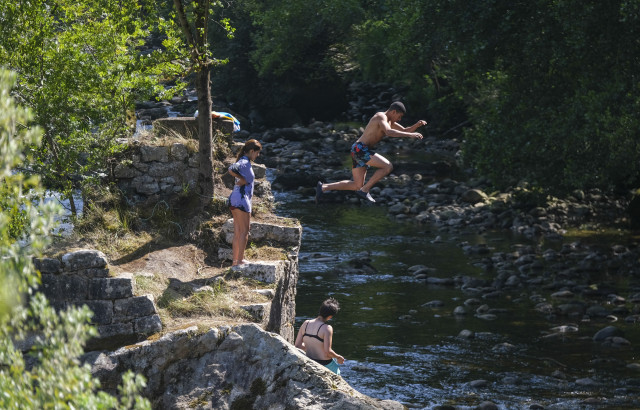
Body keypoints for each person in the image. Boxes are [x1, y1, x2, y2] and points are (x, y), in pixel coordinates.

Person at [316, 101, 426, 203]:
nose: (399, 119)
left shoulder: (389, 121)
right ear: (393, 112)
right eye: (399, 116)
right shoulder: (380, 117)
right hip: (360, 149)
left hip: (359, 150)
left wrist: (417, 125)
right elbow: (388, 132)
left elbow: (404, 130)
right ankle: (365, 190)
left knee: (357, 186)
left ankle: (324, 187)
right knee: (387, 166)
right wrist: (410, 135)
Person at [228, 139, 262, 266]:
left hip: (235, 198)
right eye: (257, 153)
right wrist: (243, 179)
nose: (257, 156)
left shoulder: (243, 160)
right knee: (244, 231)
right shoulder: (244, 161)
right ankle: (240, 260)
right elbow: (231, 169)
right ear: (252, 151)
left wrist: (242, 179)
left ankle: (235, 261)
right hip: (242, 199)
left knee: (237, 232)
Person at [294, 298, 345, 375]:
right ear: (330, 316)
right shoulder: (327, 328)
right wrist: (338, 357)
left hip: (310, 361)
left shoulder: (306, 323)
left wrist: (311, 346)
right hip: (326, 364)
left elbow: (297, 345)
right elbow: (328, 352)